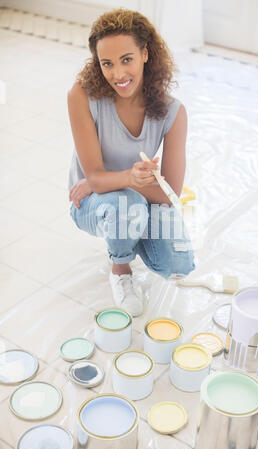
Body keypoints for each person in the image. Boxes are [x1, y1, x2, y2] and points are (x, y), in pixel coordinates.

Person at [68, 8, 195, 317]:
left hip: (136, 196)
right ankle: (120, 268)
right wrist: (119, 181)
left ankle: (127, 230)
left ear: (145, 54)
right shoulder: (81, 97)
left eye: (127, 59)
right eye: (107, 64)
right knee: (128, 207)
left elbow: (171, 194)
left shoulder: (173, 113)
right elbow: (94, 181)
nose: (118, 75)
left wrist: (113, 180)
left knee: (178, 263)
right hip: (91, 202)